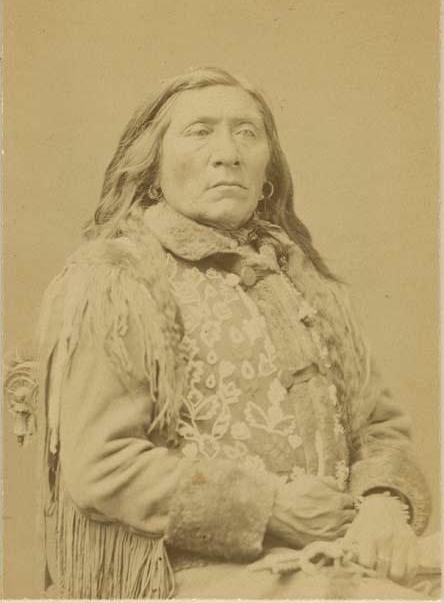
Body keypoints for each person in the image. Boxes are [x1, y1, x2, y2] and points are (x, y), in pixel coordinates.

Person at [29, 67, 436, 599]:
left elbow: (379, 427)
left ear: (267, 166)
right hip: (191, 577)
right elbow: (103, 466)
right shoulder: (115, 280)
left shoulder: (308, 284)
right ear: (152, 167)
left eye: (247, 132)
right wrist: (271, 509)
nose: (228, 153)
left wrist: (384, 506)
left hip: (337, 556)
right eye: (199, 132)